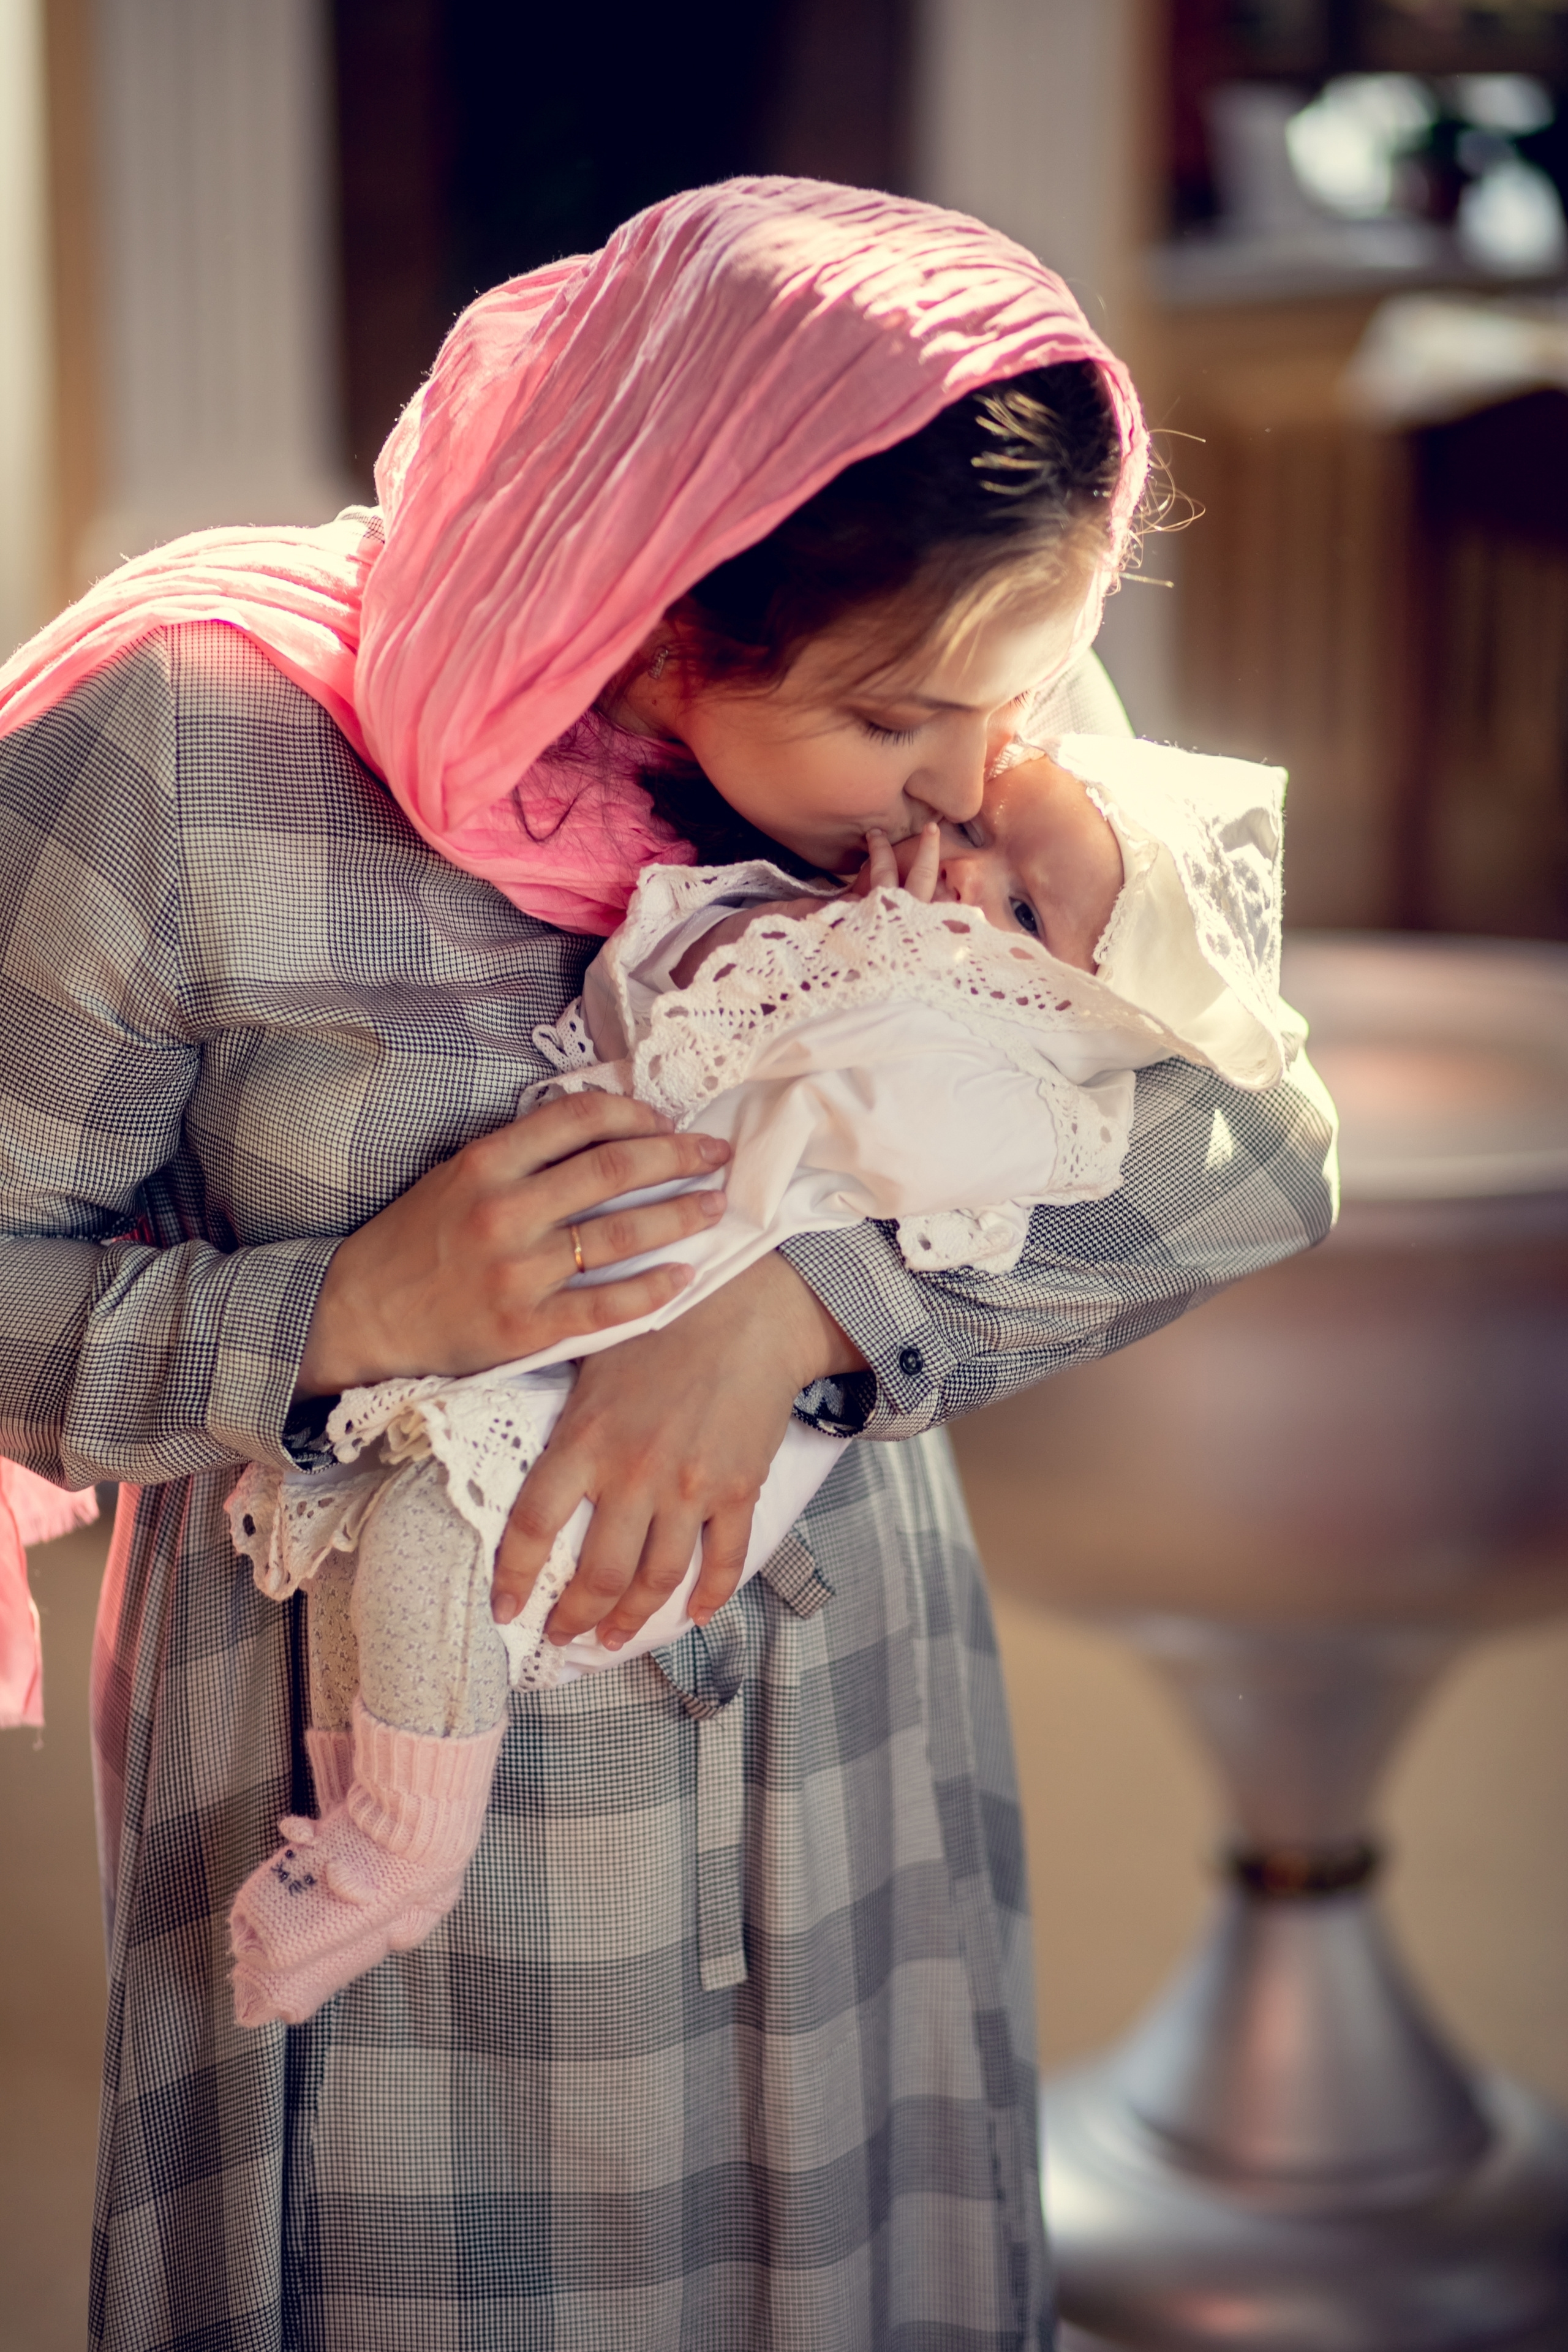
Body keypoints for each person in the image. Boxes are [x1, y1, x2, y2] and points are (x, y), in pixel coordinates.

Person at [0, 181, 1334, 2351]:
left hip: (844, 1765)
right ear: (647, 615)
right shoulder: (186, 749)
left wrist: (795, 1315)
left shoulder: (959, 696)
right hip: (395, 1802)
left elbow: (1259, 1143)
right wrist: (354, 1315)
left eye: (1013, 695)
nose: (981, 772)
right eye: (902, 721)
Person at [225, 726, 1298, 2032]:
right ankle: (354, 1807)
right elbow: (657, 1005)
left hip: (679, 1355)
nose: (956, 865)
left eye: (1020, 904)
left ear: (1098, 1001)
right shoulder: (880, 904)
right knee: (381, 1545)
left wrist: (787, 1301)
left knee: (436, 1538)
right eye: (968, 837)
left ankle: (398, 1851)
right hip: (576, 1294)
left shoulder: (1013, 1062)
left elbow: (1251, 1150)